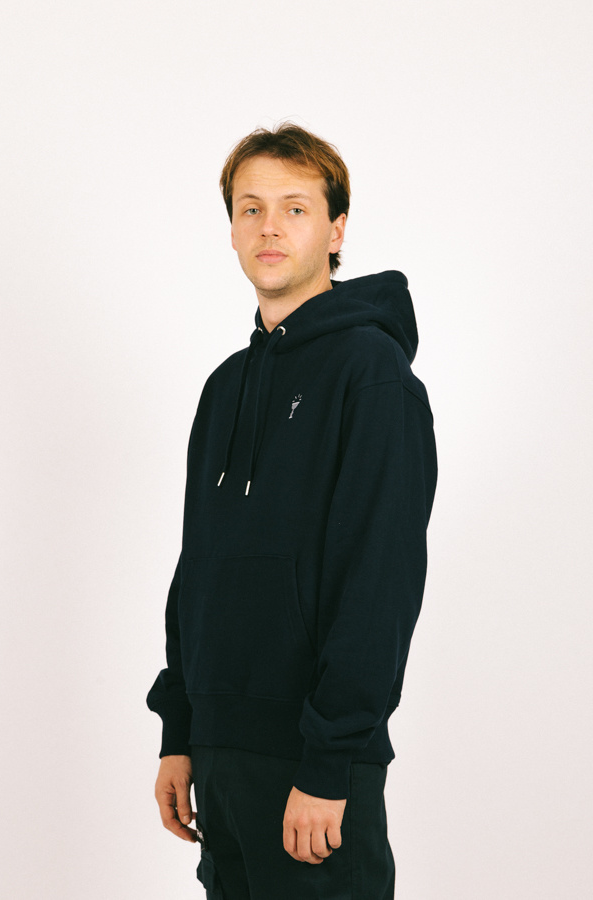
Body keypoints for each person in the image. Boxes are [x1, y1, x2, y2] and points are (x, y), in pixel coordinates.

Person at [147, 122, 438, 899]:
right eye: (251, 209)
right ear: (232, 230)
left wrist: (330, 761)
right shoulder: (225, 388)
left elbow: (380, 579)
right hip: (219, 759)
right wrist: (181, 732)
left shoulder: (372, 374)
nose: (269, 227)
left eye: (295, 208)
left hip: (311, 767)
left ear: (336, 230)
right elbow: (198, 570)